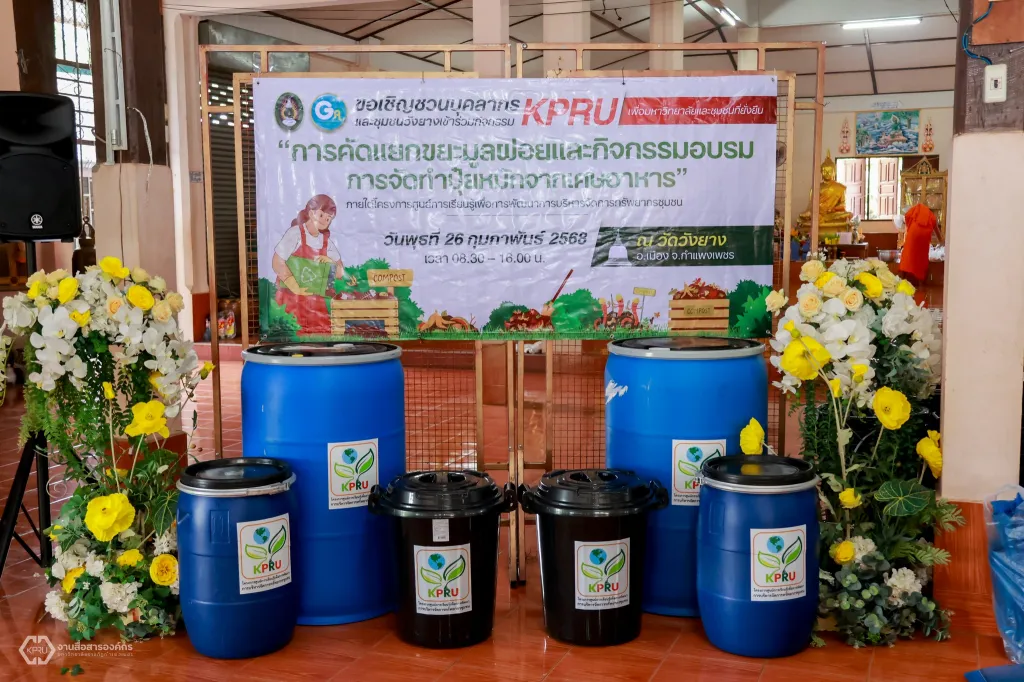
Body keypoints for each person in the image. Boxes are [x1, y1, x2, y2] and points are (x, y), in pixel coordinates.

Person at [272, 195, 344, 333]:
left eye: (328, 218)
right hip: (291, 298)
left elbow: (340, 273)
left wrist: (331, 262)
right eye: (321, 215)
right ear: (311, 213)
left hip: (317, 304)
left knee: (320, 337)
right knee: (292, 334)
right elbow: (277, 262)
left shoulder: (326, 242)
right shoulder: (295, 234)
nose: (324, 220)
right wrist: (295, 287)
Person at [897, 203, 936, 289]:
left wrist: (909, 228)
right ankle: (921, 284)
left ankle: (901, 279)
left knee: (907, 256)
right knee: (921, 259)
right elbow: (937, 233)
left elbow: (907, 217)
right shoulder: (931, 217)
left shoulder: (915, 211)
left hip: (913, 235)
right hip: (924, 238)